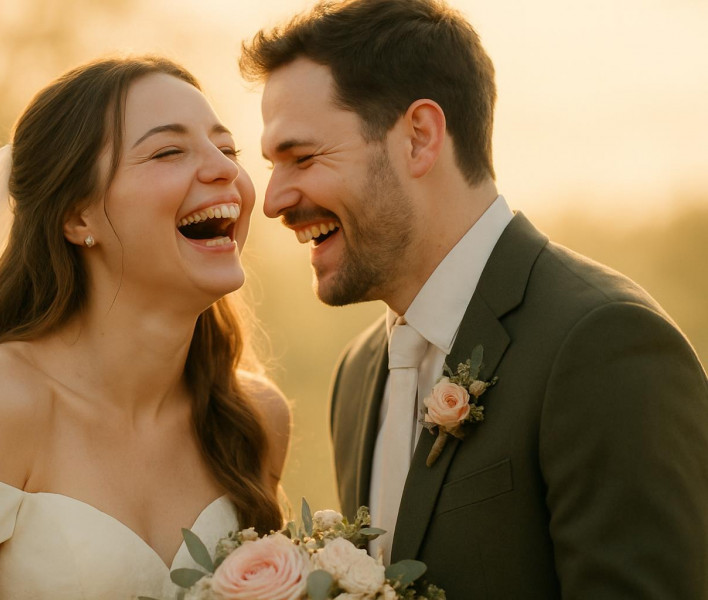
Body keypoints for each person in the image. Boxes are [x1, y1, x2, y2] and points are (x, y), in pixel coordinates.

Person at [240, 0, 708, 597]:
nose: (274, 200)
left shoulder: (604, 343)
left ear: (419, 137)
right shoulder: (358, 376)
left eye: (302, 157)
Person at [0, 56, 290, 600]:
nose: (224, 169)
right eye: (168, 151)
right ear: (78, 217)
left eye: (228, 149)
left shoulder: (254, 420)